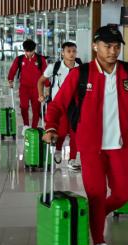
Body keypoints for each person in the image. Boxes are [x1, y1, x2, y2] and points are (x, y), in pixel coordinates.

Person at [42, 26, 128, 245]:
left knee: (124, 194)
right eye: (107, 46)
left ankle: (93, 215)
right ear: (95, 46)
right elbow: (57, 104)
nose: (113, 51)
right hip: (91, 147)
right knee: (96, 195)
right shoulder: (81, 74)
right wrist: (50, 128)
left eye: (117, 46)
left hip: (120, 145)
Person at [37, 42, 81, 170]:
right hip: (58, 105)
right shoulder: (54, 67)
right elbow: (40, 81)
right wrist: (41, 95)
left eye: (74, 51)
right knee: (60, 131)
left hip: (75, 106)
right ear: (62, 52)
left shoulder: (80, 68)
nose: (72, 54)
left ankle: (72, 159)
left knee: (75, 133)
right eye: (68, 51)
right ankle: (57, 150)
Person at [8, 39, 47, 135]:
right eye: (27, 51)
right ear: (24, 50)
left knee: (36, 108)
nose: (29, 53)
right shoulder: (19, 59)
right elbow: (13, 70)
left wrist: (47, 86)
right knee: (24, 106)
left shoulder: (40, 59)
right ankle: (26, 125)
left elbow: (45, 73)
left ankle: (33, 128)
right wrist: (10, 80)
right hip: (24, 88)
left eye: (31, 51)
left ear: (34, 49)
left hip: (37, 88)